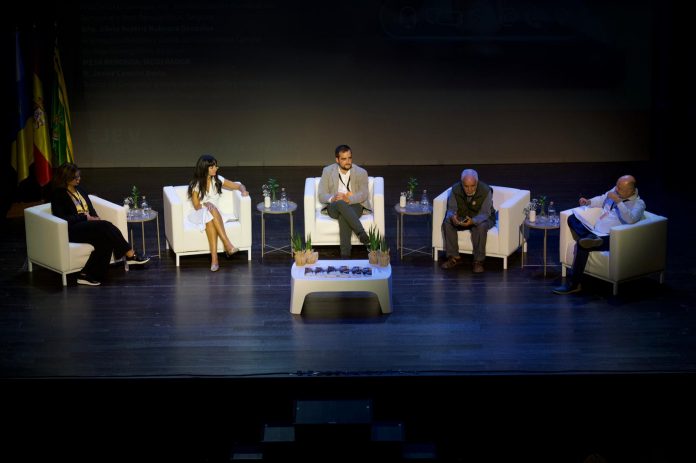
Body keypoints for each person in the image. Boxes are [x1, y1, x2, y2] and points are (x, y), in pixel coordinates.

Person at [50, 163, 150, 286]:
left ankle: (86, 275)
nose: (78, 179)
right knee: (106, 225)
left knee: (106, 239)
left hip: (87, 225)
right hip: (73, 229)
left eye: (79, 176)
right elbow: (62, 218)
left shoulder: (80, 190)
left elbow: (90, 208)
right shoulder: (58, 194)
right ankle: (129, 253)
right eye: (75, 177)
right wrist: (85, 217)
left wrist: (95, 217)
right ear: (66, 178)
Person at [553, 174, 645, 295]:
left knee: (582, 245)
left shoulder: (639, 204)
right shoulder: (616, 190)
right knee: (571, 219)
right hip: (595, 231)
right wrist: (589, 201)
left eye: (620, 188)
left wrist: (618, 202)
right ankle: (590, 237)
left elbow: (631, 219)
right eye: (617, 186)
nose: (616, 189)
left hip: (611, 238)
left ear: (631, 191)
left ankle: (574, 285)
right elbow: (602, 198)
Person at [187, 154, 248, 272]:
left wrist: (244, 191)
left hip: (214, 214)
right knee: (210, 209)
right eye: (212, 167)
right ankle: (227, 244)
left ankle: (214, 260)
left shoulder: (218, 179)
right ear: (204, 168)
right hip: (198, 213)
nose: (216, 168)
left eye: (216, 166)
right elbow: (196, 206)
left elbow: (239, 185)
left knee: (210, 217)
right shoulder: (196, 184)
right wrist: (206, 204)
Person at [317, 144, 371, 258]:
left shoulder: (361, 172)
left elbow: (364, 194)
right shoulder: (327, 171)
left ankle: (345, 255)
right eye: (344, 159)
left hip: (354, 205)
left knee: (344, 215)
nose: (348, 162)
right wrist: (333, 197)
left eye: (349, 158)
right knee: (340, 202)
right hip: (334, 206)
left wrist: (349, 199)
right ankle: (361, 232)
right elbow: (321, 195)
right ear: (337, 160)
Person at [440, 168, 496, 273]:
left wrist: (473, 221)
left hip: (482, 218)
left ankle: (478, 261)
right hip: (464, 217)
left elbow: (485, 213)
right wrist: (452, 216)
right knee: (447, 222)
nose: (469, 189)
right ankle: (454, 257)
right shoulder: (455, 189)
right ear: (462, 184)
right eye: (466, 186)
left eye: (472, 186)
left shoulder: (486, 190)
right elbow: (451, 209)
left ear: (477, 183)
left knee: (481, 226)